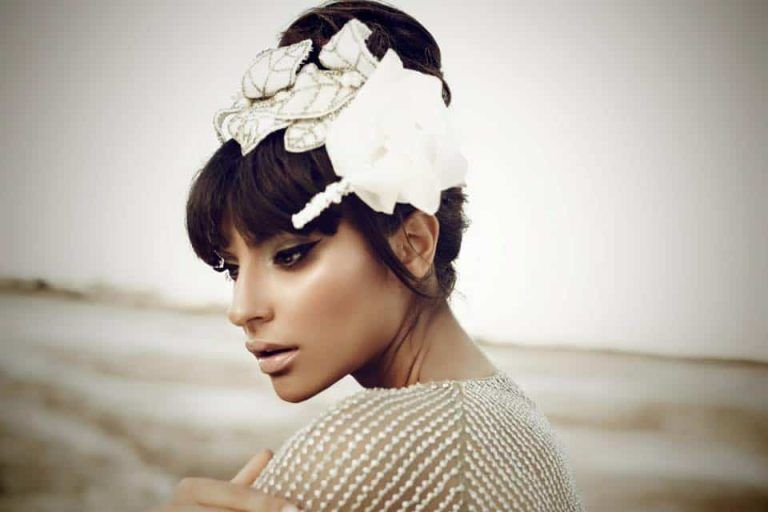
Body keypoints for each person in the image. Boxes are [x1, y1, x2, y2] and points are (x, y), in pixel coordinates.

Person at [153, 1, 584, 510]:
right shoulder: (516, 420)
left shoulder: (360, 451)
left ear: (412, 244)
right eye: (232, 267)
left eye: (290, 256)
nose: (242, 309)